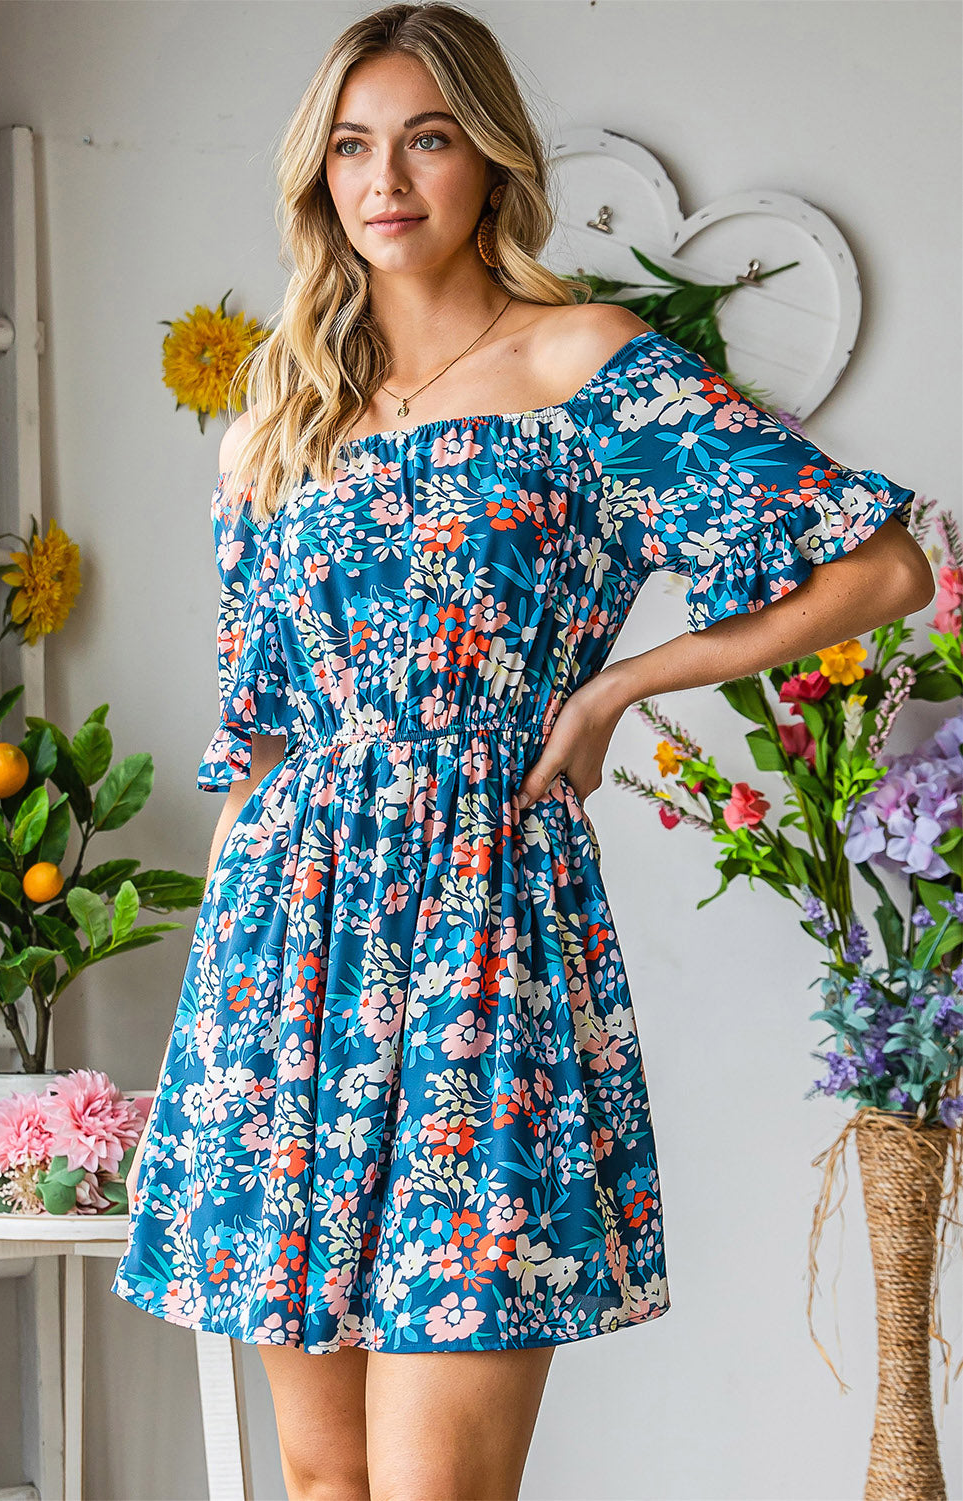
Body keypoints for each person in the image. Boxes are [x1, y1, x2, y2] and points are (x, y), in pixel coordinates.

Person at [110, 4, 934, 1497]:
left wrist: (628, 682)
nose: (388, 180)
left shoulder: (583, 364)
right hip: (285, 953)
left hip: (485, 929)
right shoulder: (276, 423)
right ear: (318, 178)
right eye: (353, 146)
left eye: (426, 138)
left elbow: (880, 566)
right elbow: (255, 733)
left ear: (488, 159)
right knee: (322, 1484)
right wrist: (211, 1047)